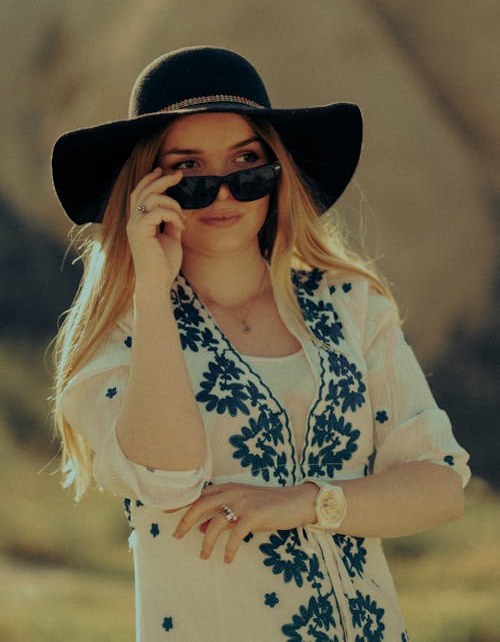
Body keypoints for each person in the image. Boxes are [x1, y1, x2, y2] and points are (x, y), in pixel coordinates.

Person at [51, 46, 470, 642]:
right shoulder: (117, 336)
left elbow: (440, 485)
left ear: (277, 176)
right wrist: (149, 287)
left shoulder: (350, 304)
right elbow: (167, 478)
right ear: (147, 188)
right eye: (189, 172)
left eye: (246, 165)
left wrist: (305, 502)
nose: (223, 193)